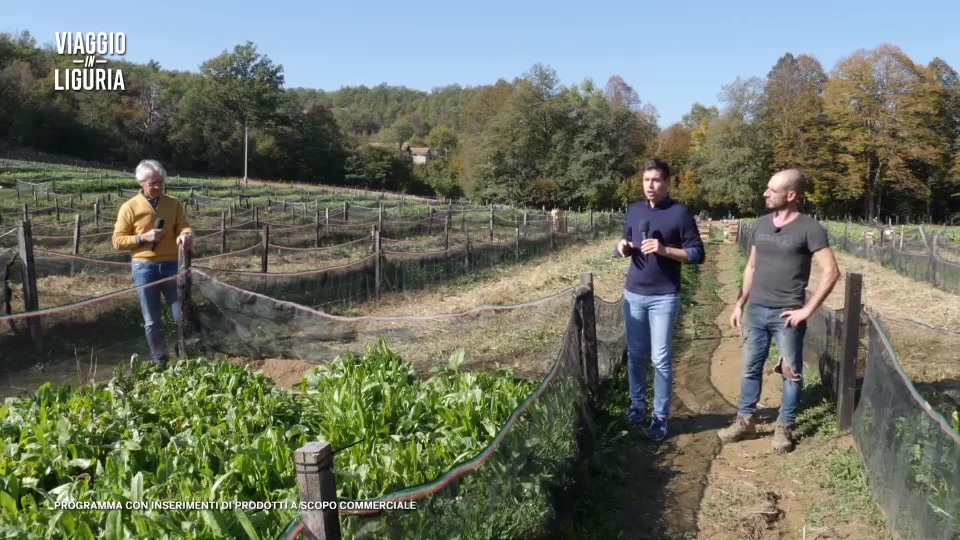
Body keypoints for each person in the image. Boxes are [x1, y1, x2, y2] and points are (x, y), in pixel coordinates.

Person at [718, 169, 840, 453]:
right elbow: (751, 267)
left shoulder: (810, 229)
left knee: (791, 372)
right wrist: (739, 303)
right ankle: (745, 420)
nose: (765, 194)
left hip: (788, 315)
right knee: (750, 368)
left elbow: (832, 272)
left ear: (792, 195)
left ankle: (784, 426)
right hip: (756, 311)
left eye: (772, 190)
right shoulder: (760, 225)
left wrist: (807, 310)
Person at [614, 159, 705, 441]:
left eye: (655, 180)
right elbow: (626, 243)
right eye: (645, 180)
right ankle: (637, 405)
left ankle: (661, 416)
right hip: (634, 293)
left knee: (661, 358)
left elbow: (697, 254)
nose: (650, 186)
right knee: (636, 356)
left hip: (664, 296)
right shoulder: (634, 210)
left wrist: (665, 250)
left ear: (666, 182)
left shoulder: (679, 214)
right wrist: (621, 248)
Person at [112, 159, 193, 369]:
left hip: (171, 265)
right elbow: (117, 240)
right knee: (152, 319)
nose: (157, 186)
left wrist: (185, 235)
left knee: (181, 314)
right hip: (144, 268)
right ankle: (160, 360)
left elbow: (184, 226)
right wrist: (143, 238)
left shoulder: (173, 203)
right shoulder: (129, 207)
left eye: (160, 182)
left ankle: (184, 354)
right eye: (152, 183)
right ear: (141, 183)